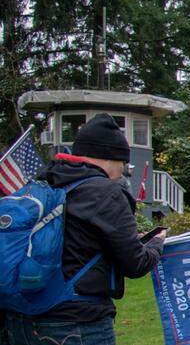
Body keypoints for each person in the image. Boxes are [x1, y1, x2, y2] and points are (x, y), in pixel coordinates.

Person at [3, 113, 165, 344]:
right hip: (75, 322)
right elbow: (136, 263)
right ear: (112, 159)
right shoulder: (105, 192)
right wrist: (157, 242)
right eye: (123, 165)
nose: (123, 172)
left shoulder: (45, 182)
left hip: (17, 321)